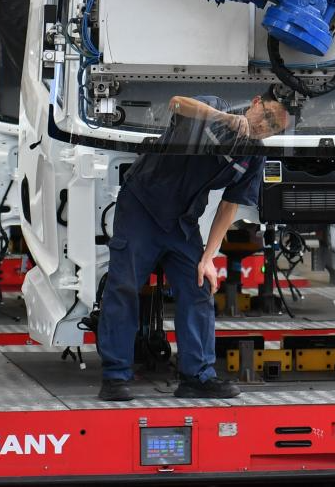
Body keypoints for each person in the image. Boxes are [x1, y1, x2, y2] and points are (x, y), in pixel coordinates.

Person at [98, 90, 290, 401]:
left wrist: (208, 258)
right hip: (141, 207)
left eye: (273, 127)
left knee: (199, 286)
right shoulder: (216, 108)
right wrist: (224, 118)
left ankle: (197, 376)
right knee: (124, 286)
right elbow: (176, 102)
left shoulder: (253, 157)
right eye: (266, 115)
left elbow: (228, 206)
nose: (264, 125)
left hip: (182, 223)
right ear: (255, 102)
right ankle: (115, 376)